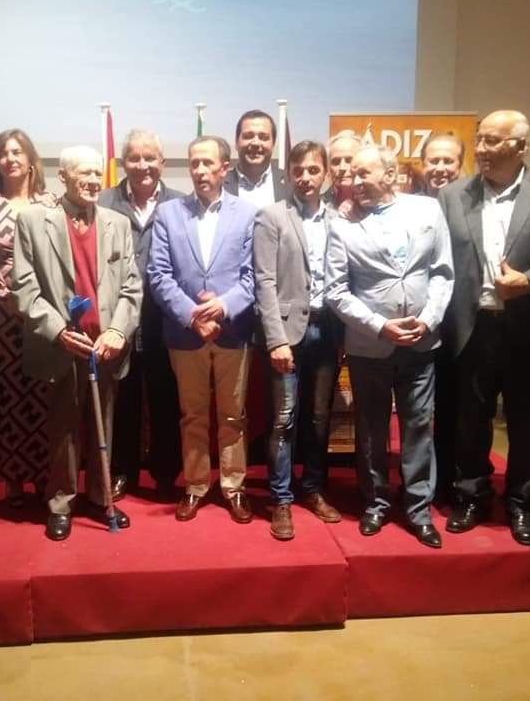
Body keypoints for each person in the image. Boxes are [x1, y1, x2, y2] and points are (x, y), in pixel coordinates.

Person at [438, 110, 530, 545]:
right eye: (480, 139)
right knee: (471, 420)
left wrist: (529, 282)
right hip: (472, 326)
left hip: (527, 328)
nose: (482, 149)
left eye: (493, 140)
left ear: (522, 147)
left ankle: (521, 502)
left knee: (525, 423)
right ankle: (472, 495)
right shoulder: (453, 195)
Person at [325, 146, 454, 548]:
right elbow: (336, 291)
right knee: (370, 429)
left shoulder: (427, 210)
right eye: (352, 174)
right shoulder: (343, 224)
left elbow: (442, 273)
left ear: (391, 173)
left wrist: (429, 319)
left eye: (364, 172)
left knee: (418, 427)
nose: (355, 180)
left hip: (420, 340)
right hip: (370, 346)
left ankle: (418, 509)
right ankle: (376, 503)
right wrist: (381, 327)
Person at [12, 146, 142, 541]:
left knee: (105, 426)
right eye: (83, 173)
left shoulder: (117, 223)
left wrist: (118, 331)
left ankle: (102, 498)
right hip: (61, 346)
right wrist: (57, 330)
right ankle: (61, 503)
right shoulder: (32, 221)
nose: (92, 180)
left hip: (106, 345)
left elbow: (132, 286)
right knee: (64, 430)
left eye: (96, 173)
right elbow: (24, 287)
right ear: (63, 177)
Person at [148, 135, 257, 524]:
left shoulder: (247, 214)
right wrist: (194, 315)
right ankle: (195, 485)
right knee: (192, 414)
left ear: (225, 168)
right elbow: (158, 274)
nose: (199, 170)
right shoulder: (168, 213)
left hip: (233, 330)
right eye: (194, 163)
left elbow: (253, 276)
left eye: (207, 163)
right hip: (186, 333)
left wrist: (223, 306)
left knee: (233, 415)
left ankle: (233, 485)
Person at [254, 141, 343, 541]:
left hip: (328, 330)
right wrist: (275, 340)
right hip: (287, 334)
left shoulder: (340, 218)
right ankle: (281, 498)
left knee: (320, 417)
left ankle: (313, 488)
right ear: (288, 174)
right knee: (284, 419)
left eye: (313, 169)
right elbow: (264, 281)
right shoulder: (272, 215)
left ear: (326, 173)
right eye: (298, 170)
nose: (305, 177)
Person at [98, 129, 186, 499]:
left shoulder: (181, 204)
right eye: (134, 158)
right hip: (118, 317)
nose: (142, 165)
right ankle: (123, 471)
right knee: (124, 396)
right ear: (123, 163)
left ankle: (167, 472)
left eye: (150, 157)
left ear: (162, 162)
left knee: (166, 395)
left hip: (165, 318)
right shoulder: (103, 201)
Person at [0, 129, 56, 505]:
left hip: (45, 315)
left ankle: (45, 476)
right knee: (8, 396)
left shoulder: (51, 203)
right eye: (3, 153)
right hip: (5, 318)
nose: (10, 158)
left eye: (17, 151)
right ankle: (13, 481)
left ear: (30, 159)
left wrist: (39, 301)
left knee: (43, 393)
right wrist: (10, 297)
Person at [223, 110, 291, 207]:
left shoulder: (291, 183)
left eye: (263, 137)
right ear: (236, 142)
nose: (255, 143)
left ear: (273, 144)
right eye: (248, 136)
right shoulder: (218, 184)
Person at [323, 130, 363, 208]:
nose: (342, 168)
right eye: (336, 162)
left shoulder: (377, 204)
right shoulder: (317, 206)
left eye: (349, 160)